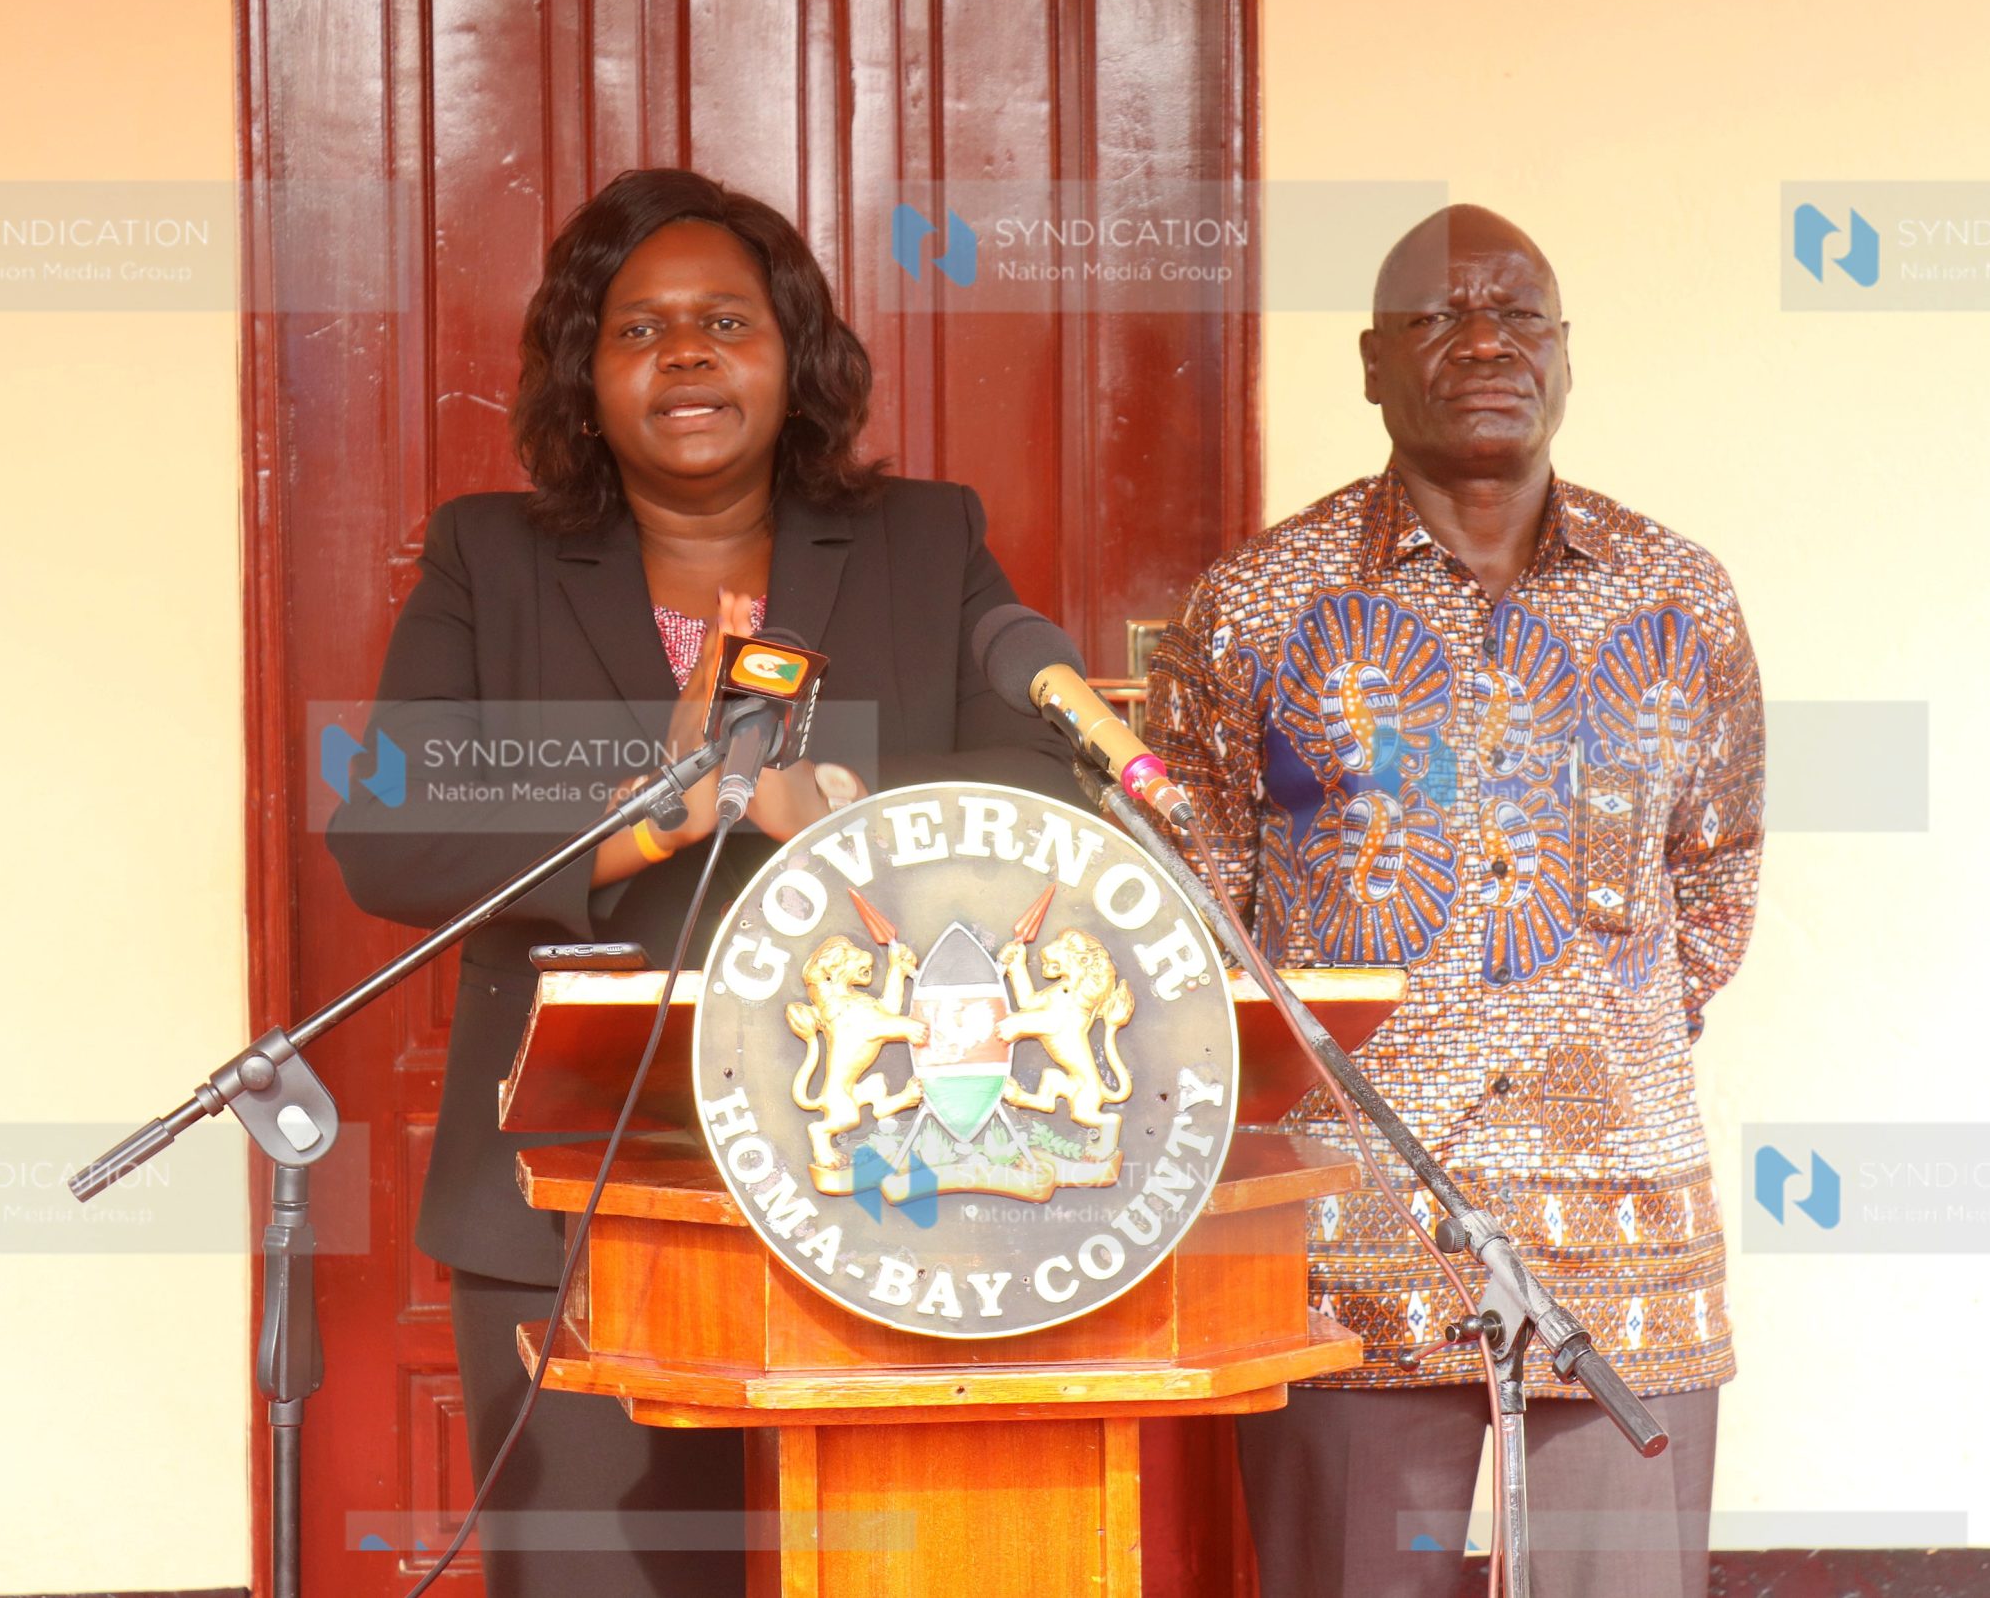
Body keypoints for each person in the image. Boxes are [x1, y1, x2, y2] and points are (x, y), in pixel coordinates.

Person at [326, 167, 1079, 1597]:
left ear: (793, 358)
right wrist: (656, 820)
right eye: (637, 330)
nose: (685, 356)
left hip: (888, 1181)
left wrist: (819, 807)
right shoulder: (494, 559)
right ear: (584, 372)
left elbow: (1039, 793)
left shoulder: (925, 542)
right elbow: (390, 829)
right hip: (566, 1199)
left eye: (727, 322)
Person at [1143, 204, 1764, 1598]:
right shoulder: (1256, 605)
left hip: (1630, 1238)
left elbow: (1716, 880)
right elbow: (1197, 913)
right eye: (1437, 316)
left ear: (1565, 354)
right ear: (1370, 363)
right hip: (1347, 1242)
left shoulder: (1681, 595)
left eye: (1520, 316)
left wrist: (1604, 1042)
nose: (1486, 342)